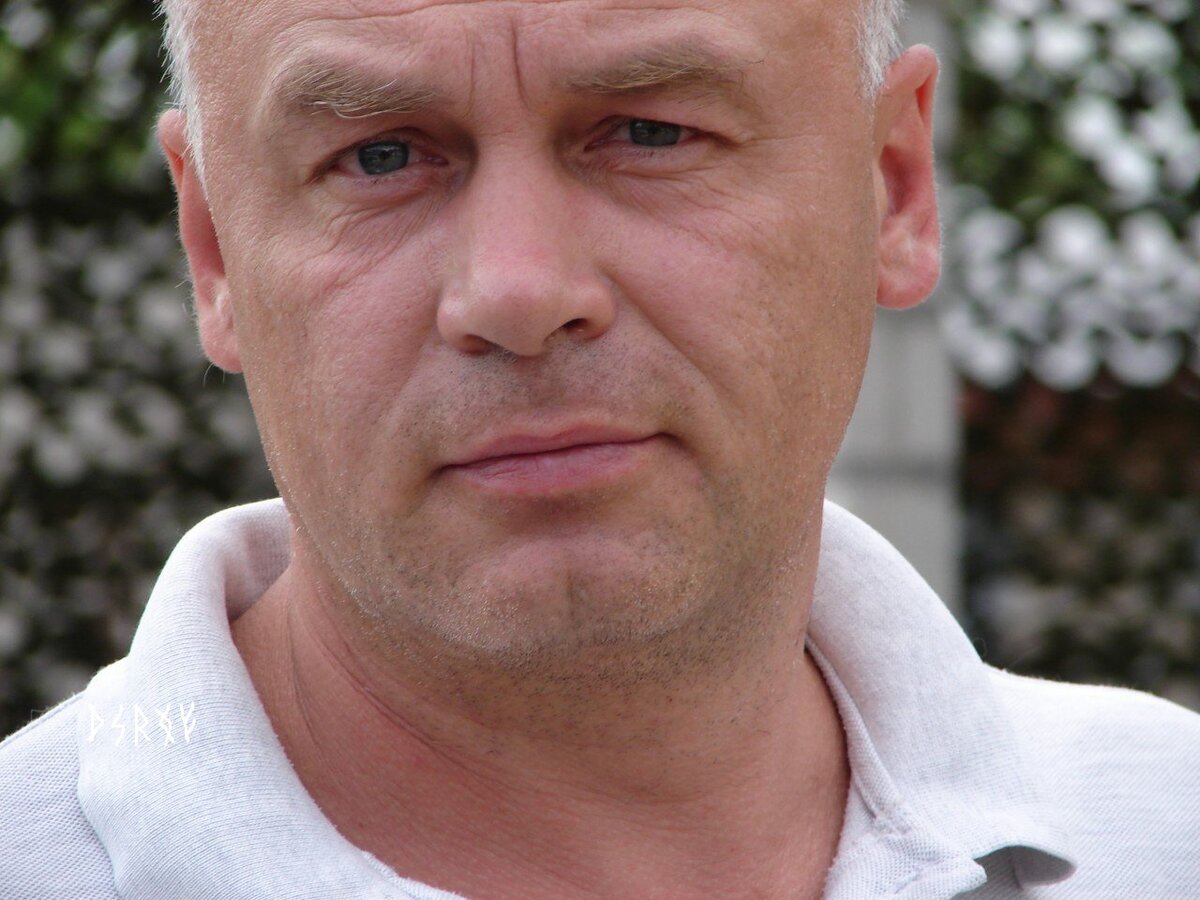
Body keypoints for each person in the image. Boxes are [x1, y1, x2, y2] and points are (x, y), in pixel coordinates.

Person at [2, 0, 1198, 896]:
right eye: (380, 156)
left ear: (892, 191)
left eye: (651, 131)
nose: (519, 293)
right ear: (212, 250)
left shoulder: (1167, 832)